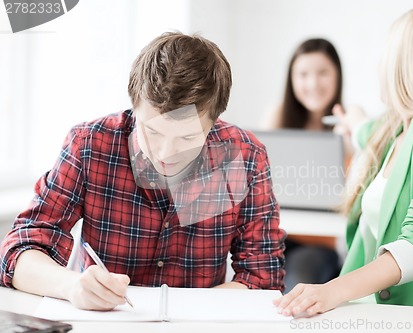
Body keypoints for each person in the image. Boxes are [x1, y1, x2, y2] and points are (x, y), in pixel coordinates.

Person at [0, 32, 286, 311]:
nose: (164, 153)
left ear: (215, 121)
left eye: (187, 138)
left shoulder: (245, 156)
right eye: (152, 131)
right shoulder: (90, 144)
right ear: (134, 106)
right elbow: (17, 252)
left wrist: (186, 312)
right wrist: (71, 286)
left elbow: (262, 278)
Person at [274, 5, 413, 316]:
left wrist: (331, 290)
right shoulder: (398, 130)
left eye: (387, 51)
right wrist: (352, 123)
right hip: (378, 311)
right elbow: (364, 129)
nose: (380, 63)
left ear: (406, 62)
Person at [265, 38, 344, 293]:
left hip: (319, 244)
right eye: (303, 74)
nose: (313, 83)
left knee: (297, 282)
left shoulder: (348, 124)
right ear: (292, 80)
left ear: (337, 76)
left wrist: (352, 137)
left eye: (322, 73)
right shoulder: (277, 117)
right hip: (275, 238)